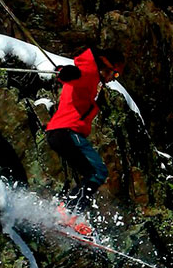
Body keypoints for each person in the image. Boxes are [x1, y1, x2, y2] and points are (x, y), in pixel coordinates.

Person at [45, 47, 123, 215]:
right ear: (107, 67)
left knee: (87, 173)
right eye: (115, 74)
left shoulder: (93, 79)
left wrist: (67, 74)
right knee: (98, 172)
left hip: (61, 132)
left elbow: (73, 79)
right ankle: (69, 212)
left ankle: (67, 212)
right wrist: (67, 73)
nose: (113, 79)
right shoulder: (89, 73)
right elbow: (75, 77)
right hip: (67, 132)